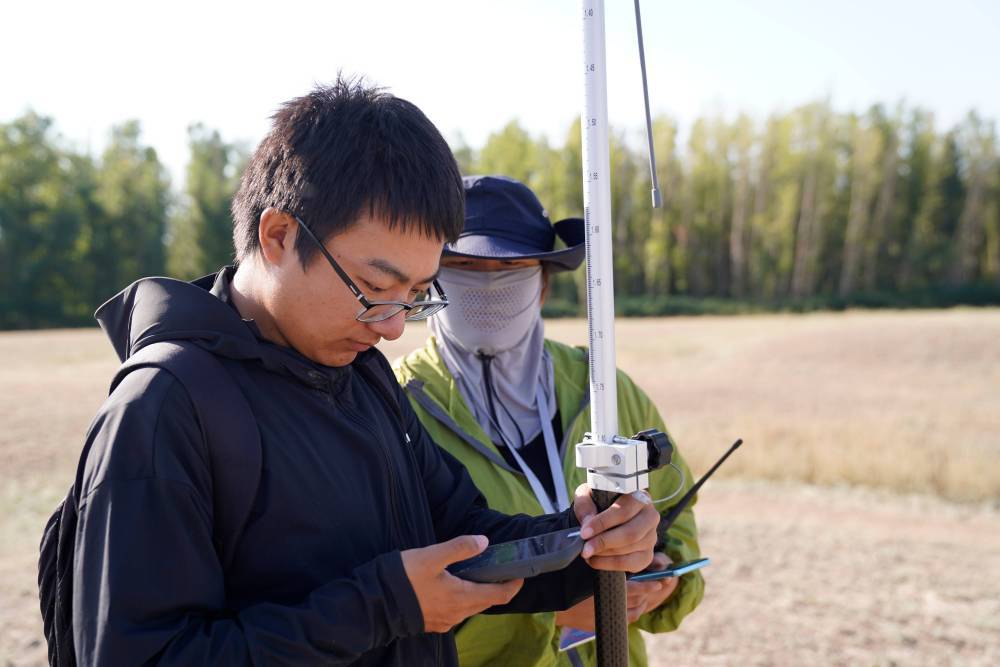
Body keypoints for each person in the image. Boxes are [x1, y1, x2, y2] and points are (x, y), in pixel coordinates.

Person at [69, 80, 661, 666]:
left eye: (416, 294)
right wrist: (382, 608)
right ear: (278, 235)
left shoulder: (364, 379)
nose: (393, 327)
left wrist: (583, 542)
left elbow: (466, 535)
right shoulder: (164, 410)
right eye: (375, 288)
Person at [393, 175, 705, 666]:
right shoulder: (394, 405)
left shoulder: (604, 388)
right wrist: (554, 609)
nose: (490, 282)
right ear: (430, 276)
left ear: (541, 282)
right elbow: (392, 592)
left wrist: (661, 577)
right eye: (465, 266)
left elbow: (676, 515)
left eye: (512, 266)